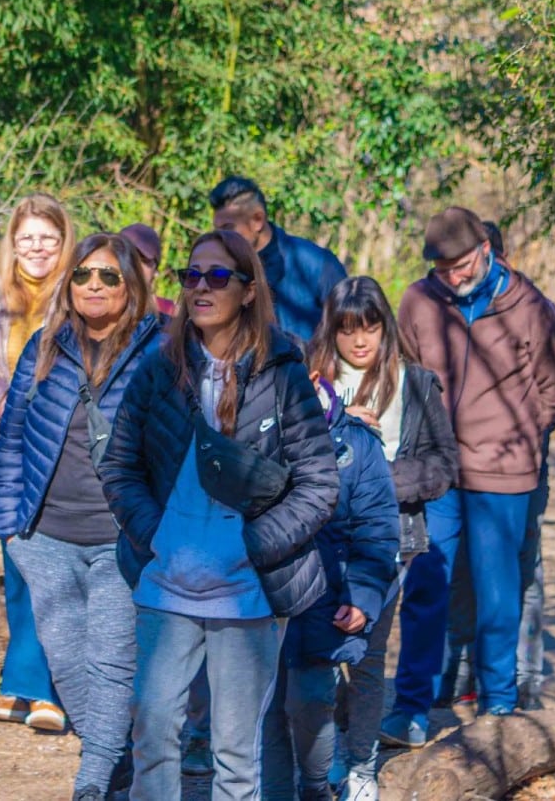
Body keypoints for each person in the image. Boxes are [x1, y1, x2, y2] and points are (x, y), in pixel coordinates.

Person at [101, 230, 340, 801]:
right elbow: (119, 466)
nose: (200, 287)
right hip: (166, 586)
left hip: (248, 593)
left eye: (216, 276)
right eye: (190, 276)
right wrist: (158, 536)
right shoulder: (161, 370)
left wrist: (255, 548)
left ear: (249, 290)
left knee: (237, 755)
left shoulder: (284, 371)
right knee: (153, 728)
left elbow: (319, 483)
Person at [381, 206, 555, 747]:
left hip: (505, 470)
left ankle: (499, 709)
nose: (454, 276)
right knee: (425, 584)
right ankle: (411, 708)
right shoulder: (419, 302)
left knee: (497, 591)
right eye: (442, 268)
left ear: (486, 250)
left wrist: (522, 434)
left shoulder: (529, 306)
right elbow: (407, 373)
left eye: (462, 265)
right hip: (435, 471)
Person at [0, 233, 166, 800]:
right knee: (66, 661)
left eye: (109, 276)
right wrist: (11, 528)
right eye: (84, 274)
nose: (94, 285)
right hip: (45, 536)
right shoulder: (46, 344)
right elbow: (13, 434)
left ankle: (91, 781)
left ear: (131, 285)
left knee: (110, 661)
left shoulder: (161, 349)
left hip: (121, 538)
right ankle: (120, 758)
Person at [306, 276, 459, 800]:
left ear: (385, 326)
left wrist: (379, 478)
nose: (360, 340)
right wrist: (335, 421)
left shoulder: (415, 383)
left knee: (367, 660)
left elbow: (443, 465)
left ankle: (362, 764)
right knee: (319, 659)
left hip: (391, 541)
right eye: (348, 329)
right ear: (333, 331)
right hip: (318, 541)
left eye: (369, 326)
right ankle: (321, 759)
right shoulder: (309, 380)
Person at [440, 222, 555, 713]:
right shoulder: (451, 314)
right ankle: (458, 676)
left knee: (522, 572)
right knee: (459, 571)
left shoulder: (537, 312)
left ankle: (524, 681)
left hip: (522, 471)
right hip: (459, 472)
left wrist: (521, 432)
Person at [0, 193, 74, 732]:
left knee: (53, 567)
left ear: (63, 241)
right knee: (19, 565)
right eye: (27, 237)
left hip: (63, 451)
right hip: (6, 446)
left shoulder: (79, 294)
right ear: (13, 243)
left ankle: (37, 687)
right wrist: (0, 401)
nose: (37, 248)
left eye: (47, 238)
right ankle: (29, 683)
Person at [258, 371, 399, 801]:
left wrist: (363, 593)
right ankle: (278, 791)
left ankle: (317, 786)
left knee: (310, 701)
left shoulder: (356, 442)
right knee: (265, 708)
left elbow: (377, 526)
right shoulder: (252, 430)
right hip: (261, 597)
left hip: (329, 594)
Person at [209, 176, 346, 342]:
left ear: (257, 220)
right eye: (217, 230)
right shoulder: (219, 271)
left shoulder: (317, 264)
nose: (221, 238)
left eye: (228, 228)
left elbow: (349, 328)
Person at [119, 222, 176, 315]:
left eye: (143, 260)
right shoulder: (93, 306)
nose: (133, 265)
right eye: (126, 256)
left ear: (156, 271)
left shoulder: (170, 314)